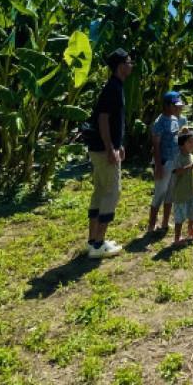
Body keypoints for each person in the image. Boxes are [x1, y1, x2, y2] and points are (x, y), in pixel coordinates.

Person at [84, 48, 133, 258]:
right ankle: (98, 244)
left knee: (100, 191)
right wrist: (110, 148)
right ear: (120, 65)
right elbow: (103, 119)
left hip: (101, 148)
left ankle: (93, 241)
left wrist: (117, 143)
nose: (132, 65)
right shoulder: (113, 88)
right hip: (104, 150)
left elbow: (112, 121)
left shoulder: (115, 86)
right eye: (129, 62)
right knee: (111, 193)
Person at [148, 91, 188, 235]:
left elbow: (177, 138)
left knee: (170, 193)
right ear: (167, 105)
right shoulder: (160, 122)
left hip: (174, 161)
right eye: (175, 106)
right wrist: (158, 167)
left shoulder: (176, 119)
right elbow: (156, 147)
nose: (178, 108)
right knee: (159, 193)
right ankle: (151, 225)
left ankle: (164, 223)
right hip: (163, 162)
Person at [171, 130, 193, 245]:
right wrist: (190, 166)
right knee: (180, 217)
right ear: (182, 144)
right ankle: (177, 237)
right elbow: (177, 172)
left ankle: (191, 229)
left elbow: (191, 173)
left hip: (191, 191)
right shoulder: (178, 157)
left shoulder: (191, 156)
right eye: (189, 142)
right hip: (180, 193)